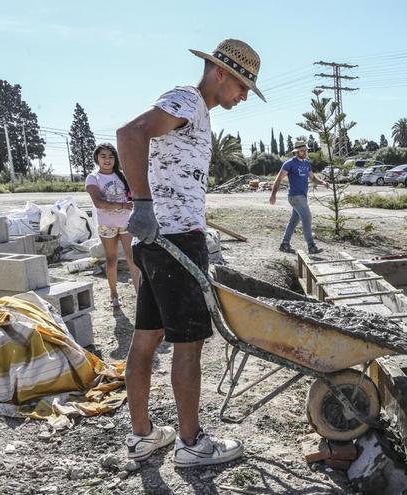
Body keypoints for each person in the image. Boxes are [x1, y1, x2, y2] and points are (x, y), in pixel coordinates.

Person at [117, 39, 265, 467]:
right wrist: (142, 204)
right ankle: (191, 443)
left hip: (158, 241)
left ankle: (143, 436)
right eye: (241, 87)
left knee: (147, 337)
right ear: (221, 73)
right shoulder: (188, 99)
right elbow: (129, 133)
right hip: (176, 239)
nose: (241, 98)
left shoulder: (194, 111)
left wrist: (148, 212)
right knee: (189, 345)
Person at [84, 143, 140, 307]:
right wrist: (122, 206)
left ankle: (140, 294)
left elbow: (133, 196)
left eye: (111, 156)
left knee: (132, 257)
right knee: (111, 259)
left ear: (115, 159)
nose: (107, 160)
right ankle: (114, 294)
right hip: (106, 224)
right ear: (97, 158)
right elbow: (99, 203)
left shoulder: (122, 176)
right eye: (103, 156)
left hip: (126, 222)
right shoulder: (93, 178)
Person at [269, 139, 328, 254]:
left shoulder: (306, 163)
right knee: (307, 218)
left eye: (305, 150)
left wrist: (323, 183)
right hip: (295, 196)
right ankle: (311, 246)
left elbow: (313, 178)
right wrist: (273, 194)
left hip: (303, 196)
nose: (304, 152)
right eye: (302, 150)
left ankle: (284, 244)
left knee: (294, 221)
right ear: (296, 152)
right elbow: (279, 179)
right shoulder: (289, 164)